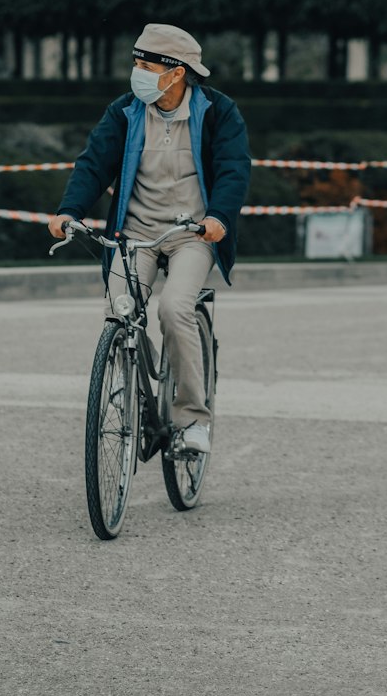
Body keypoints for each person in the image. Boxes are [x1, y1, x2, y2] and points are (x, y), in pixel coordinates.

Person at [48, 23, 250, 454]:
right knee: (119, 311)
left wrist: (218, 218)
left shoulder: (218, 111)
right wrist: (70, 210)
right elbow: (94, 163)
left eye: (146, 64)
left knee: (176, 309)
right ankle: (129, 381)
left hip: (191, 234)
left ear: (176, 73)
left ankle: (193, 419)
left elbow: (234, 169)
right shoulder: (125, 111)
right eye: (136, 62)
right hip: (134, 233)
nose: (136, 72)